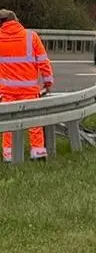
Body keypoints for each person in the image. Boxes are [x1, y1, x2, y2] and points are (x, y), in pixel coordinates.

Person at [0, 9, 54, 162]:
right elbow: (43, 61)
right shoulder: (31, 36)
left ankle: (9, 155)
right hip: (29, 90)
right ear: (16, 20)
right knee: (34, 122)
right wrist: (48, 81)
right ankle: (38, 153)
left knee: (9, 123)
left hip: (7, 90)